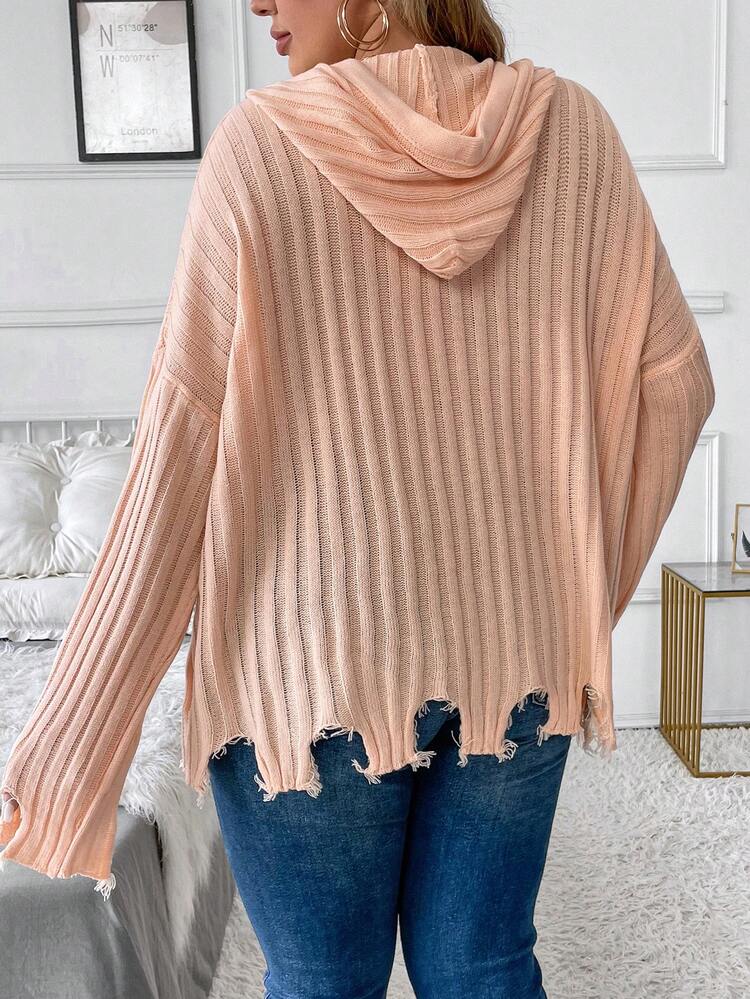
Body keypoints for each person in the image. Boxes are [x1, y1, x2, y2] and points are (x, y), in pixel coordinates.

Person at [1, 1, 715, 996]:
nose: (258, 4)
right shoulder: (576, 135)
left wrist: (67, 750)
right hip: (519, 662)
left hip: (308, 674)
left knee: (323, 980)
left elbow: (177, 455)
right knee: (484, 965)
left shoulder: (261, 150)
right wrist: (576, 605)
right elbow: (676, 386)